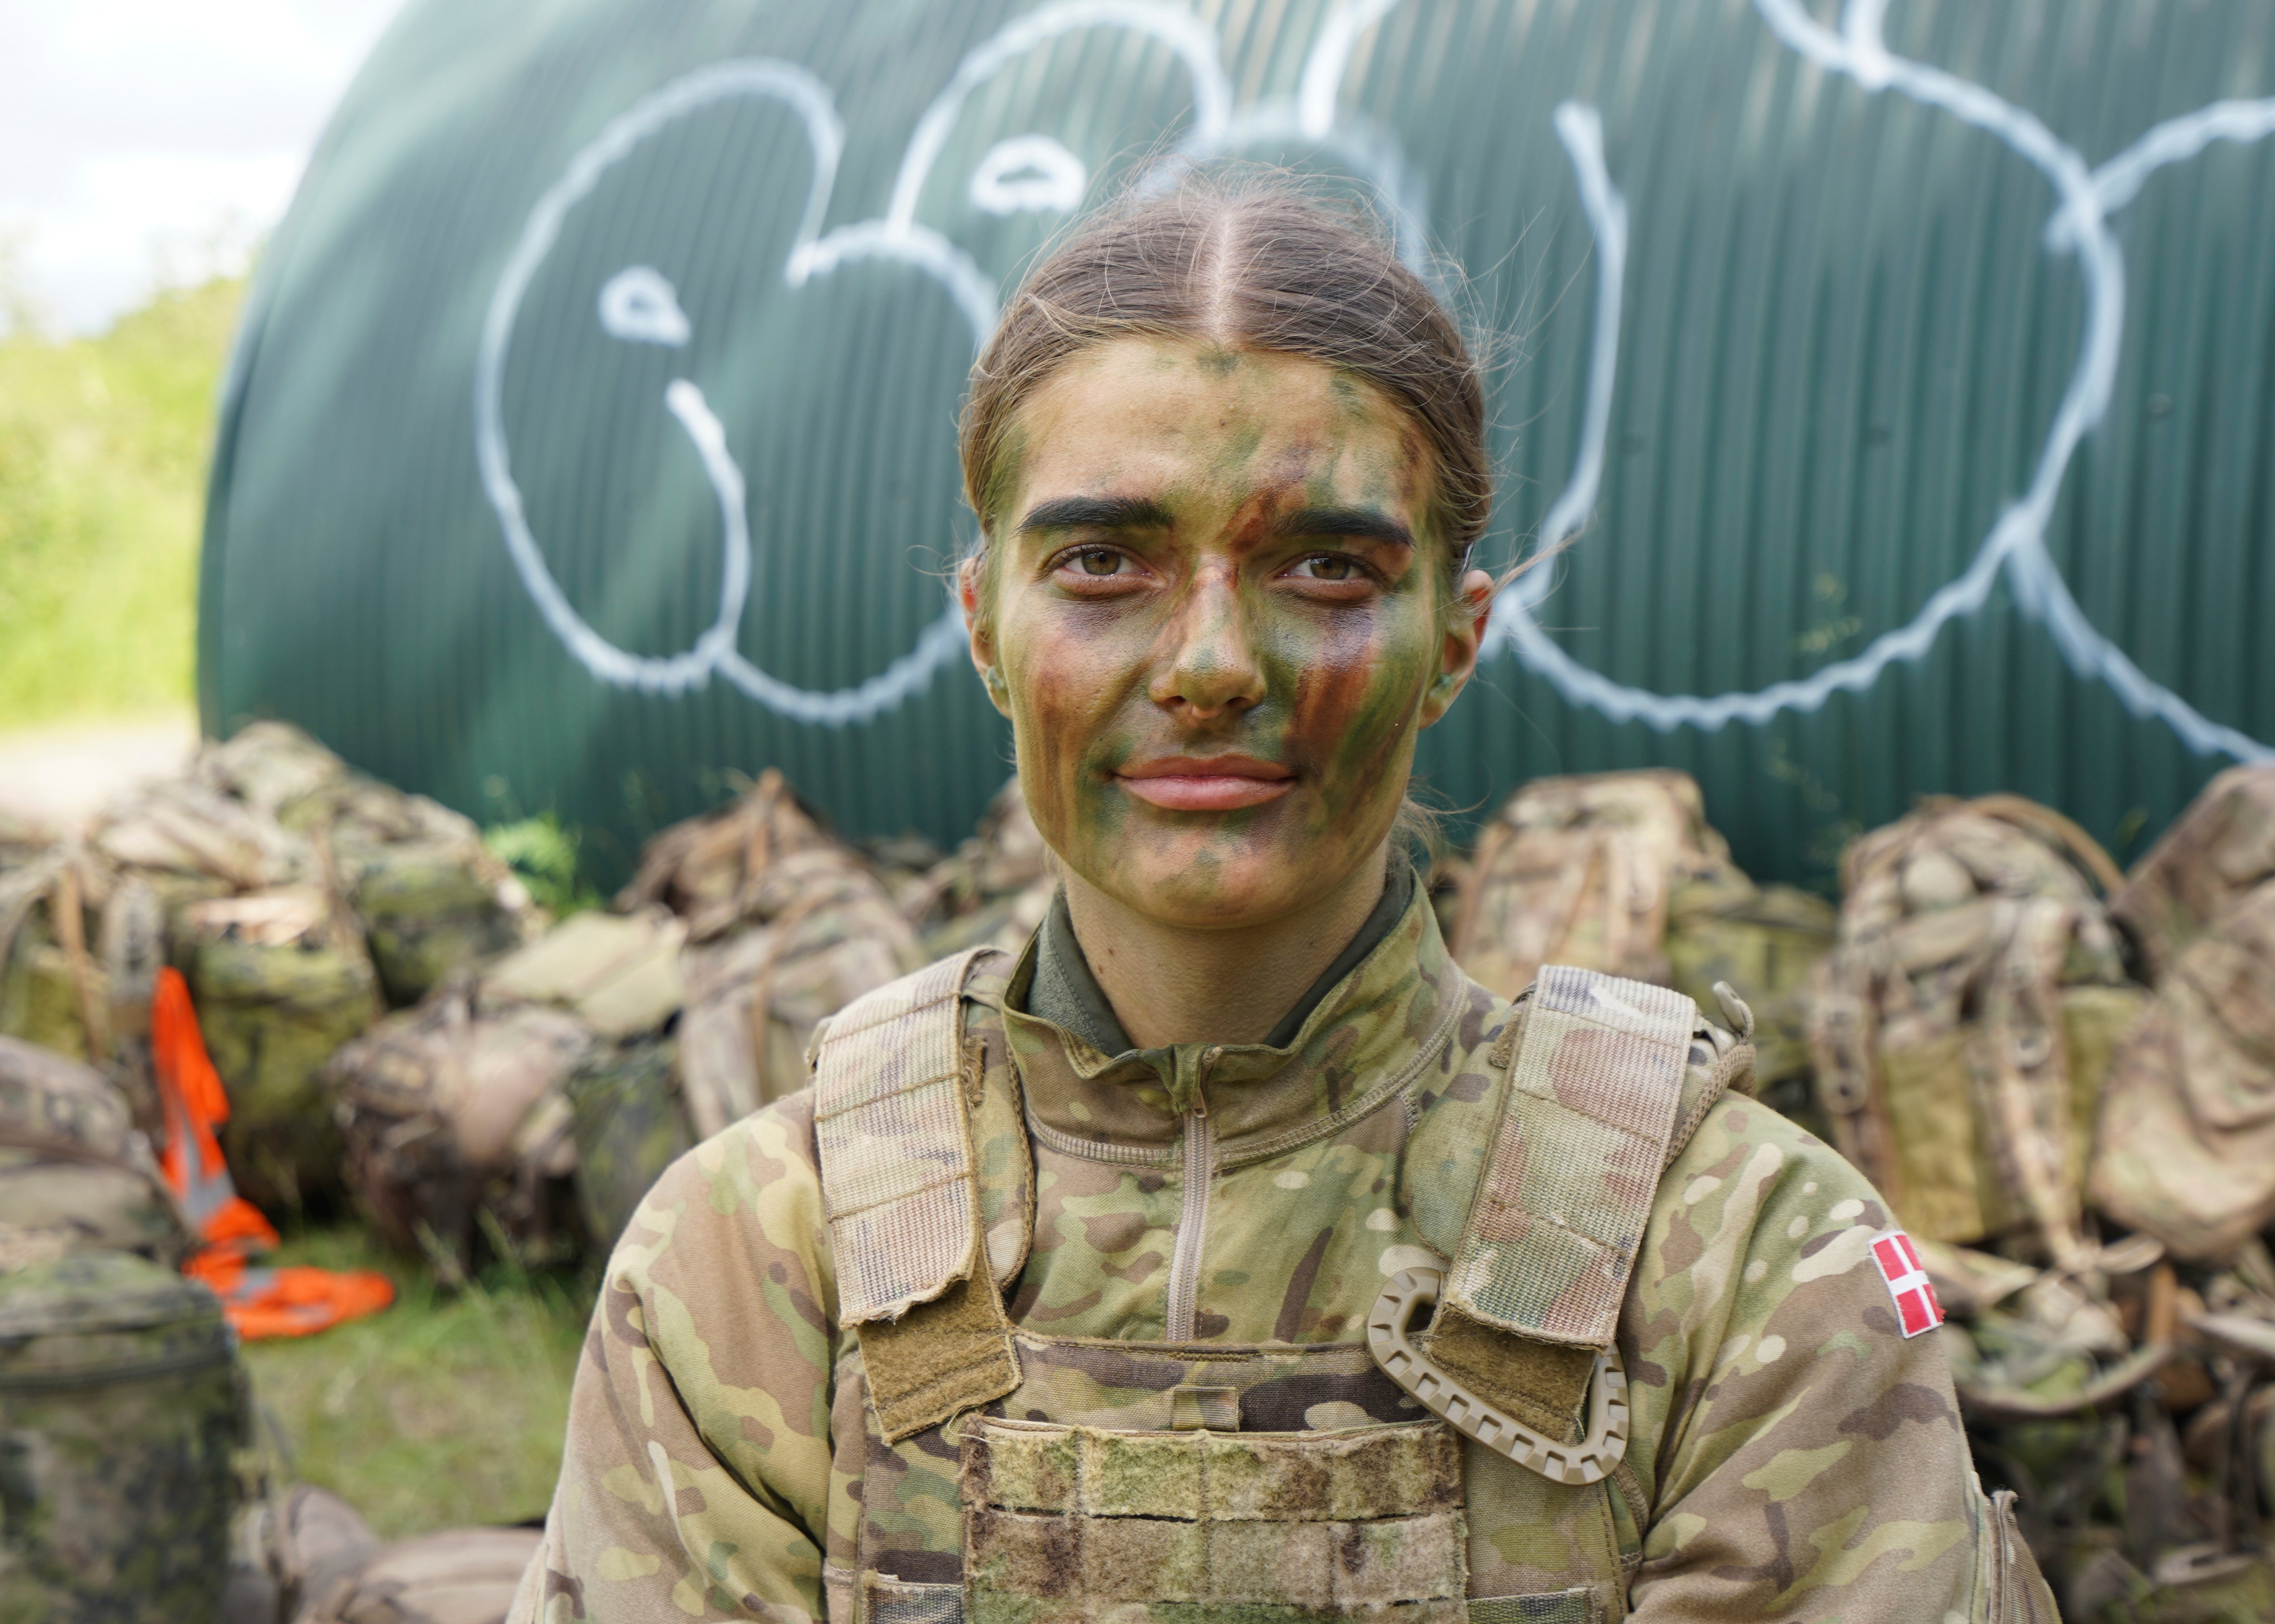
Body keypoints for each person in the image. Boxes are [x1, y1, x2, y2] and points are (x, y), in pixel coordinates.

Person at [514, 178, 2057, 1624]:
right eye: (1103, 562)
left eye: (1325, 570)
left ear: (1454, 639)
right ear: (986, 625)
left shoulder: (1739, 1252)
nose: (1209, 666)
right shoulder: (762, 1253)